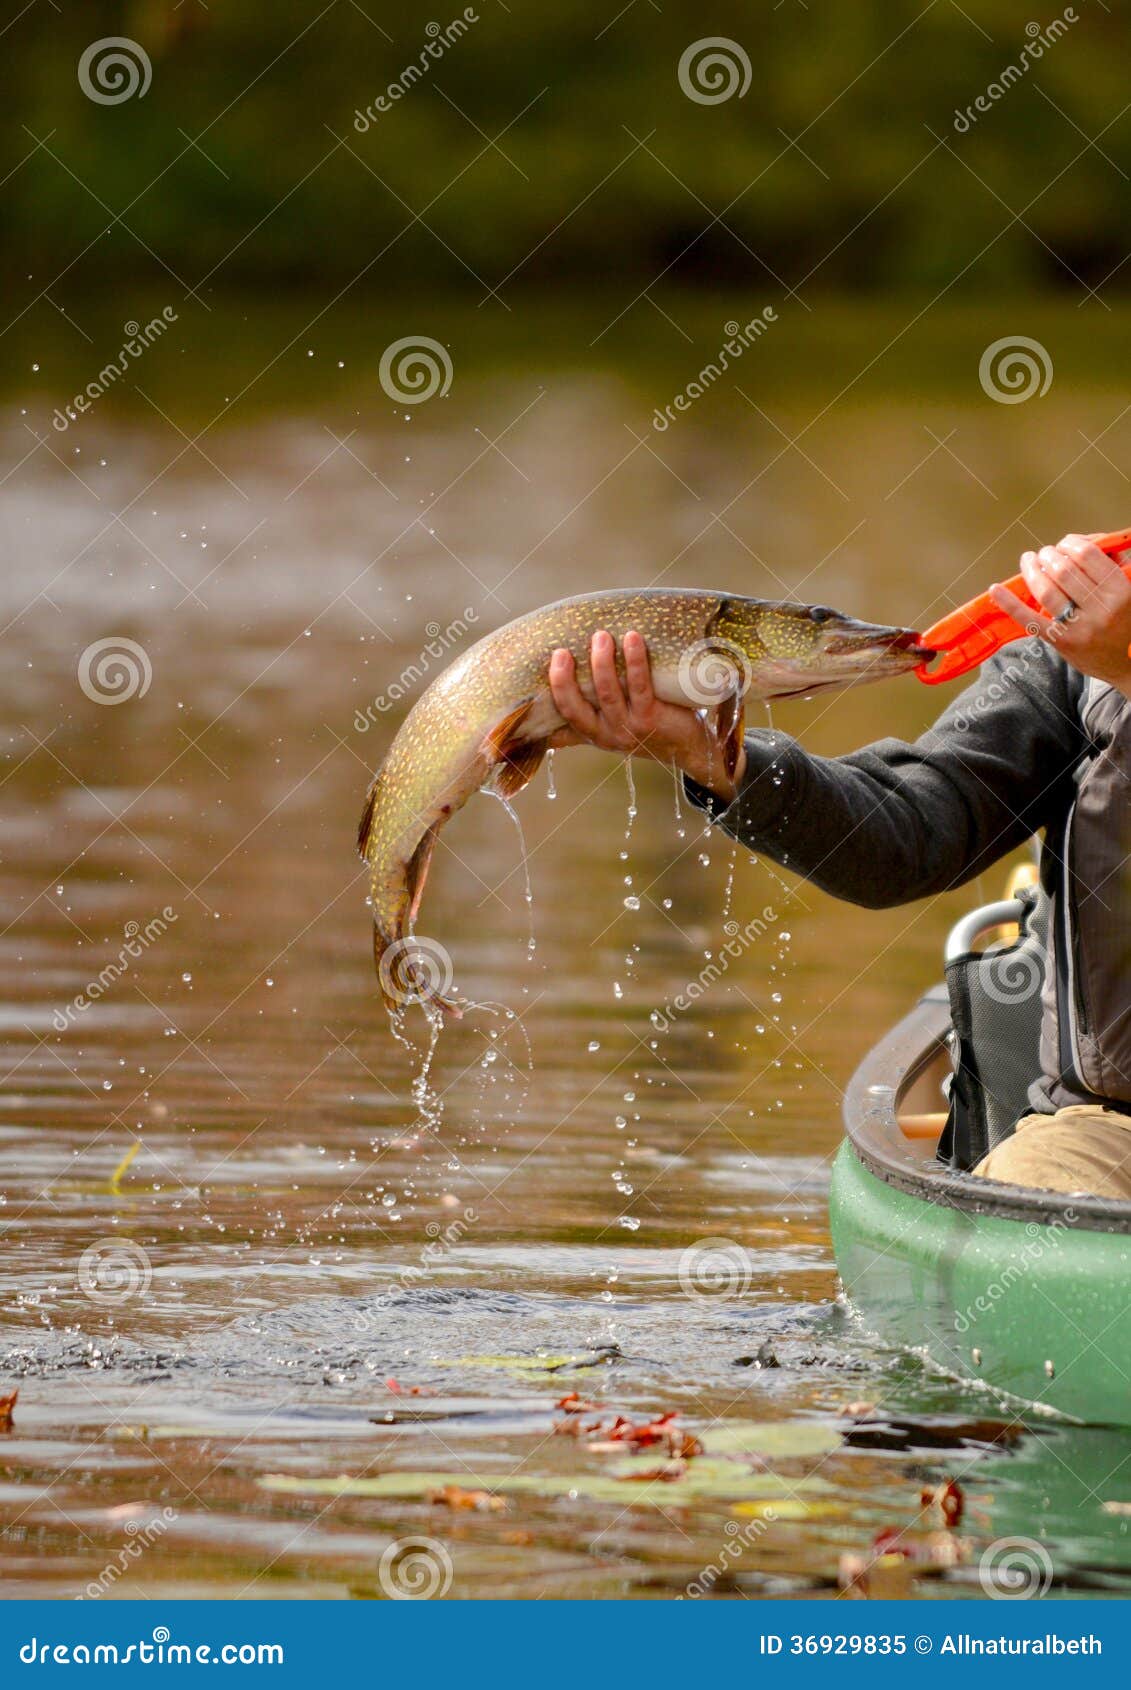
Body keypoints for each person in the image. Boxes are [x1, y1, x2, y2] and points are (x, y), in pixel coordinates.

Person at [547, 534, 1131, 1200]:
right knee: (1043, 1195)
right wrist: (718, 760)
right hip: (1111, 1136)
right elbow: (906, 838)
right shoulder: (1073, 659)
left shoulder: (1109, 650)